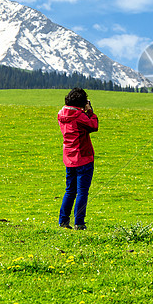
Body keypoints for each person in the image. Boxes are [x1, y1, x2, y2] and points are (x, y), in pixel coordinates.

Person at [57, 87, 98, 230]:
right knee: (82, 192)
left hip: (69, 158)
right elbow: (94, 126)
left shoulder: (62, 114)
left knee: (70, 190)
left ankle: (63, 221)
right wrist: (90, 111)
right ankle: (79, 223)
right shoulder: (80, 116)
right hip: (83, 157)